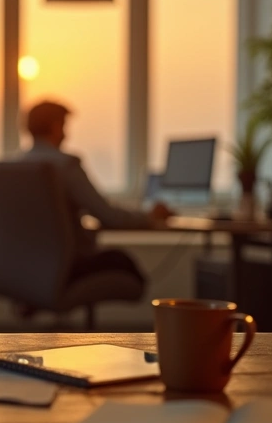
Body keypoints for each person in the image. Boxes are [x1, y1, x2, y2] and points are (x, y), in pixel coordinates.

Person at [15, 100, 173, 299]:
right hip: (66, 269)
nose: (66, 133)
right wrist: (150, 216)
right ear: (57, 126)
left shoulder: (14, 167)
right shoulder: (66, 166)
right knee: (123, 262)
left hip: (25, 269)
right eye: (64, 126)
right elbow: (108, 216)